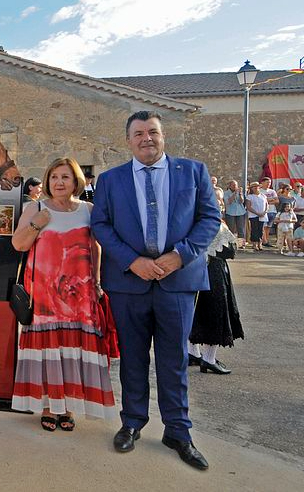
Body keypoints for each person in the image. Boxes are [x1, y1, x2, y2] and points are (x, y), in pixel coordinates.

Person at [91, 111, 219, 470]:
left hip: (177, 281)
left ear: (163, 136)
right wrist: (132, 261)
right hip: (129, 283)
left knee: (174, 358)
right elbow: (101, 224)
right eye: (138, 133)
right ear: (128, 139)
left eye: (153, 132)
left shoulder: (193, 172)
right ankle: (132, 422)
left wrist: (180, 256)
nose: (146, 138)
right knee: (132, 357)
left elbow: (209, 218)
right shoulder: (111, 180)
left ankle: (178, 430)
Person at [11, 157, 116, 433]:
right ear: (47, 180)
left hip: (79, 296)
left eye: (65, 177)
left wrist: (96, 280)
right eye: (54, 176)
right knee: (49, 351)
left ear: (76, 181)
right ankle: (48, 406)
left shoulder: (89, 210)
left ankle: (66, 407)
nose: (59, 182)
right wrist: (37, 223)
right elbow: (18, 244)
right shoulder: (35, 207)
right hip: (44, 296)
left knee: (72, 351)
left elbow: (96, 248)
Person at [187, 221, 243, 374]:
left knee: (194, 312)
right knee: (215, 313)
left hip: (191, 271)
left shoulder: (186, 220)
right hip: (213, 272)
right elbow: (230, 251)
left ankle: (193, 352)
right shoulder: (213, 222)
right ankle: (208, 359)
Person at [223, 180, 247, 249]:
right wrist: (234, 193)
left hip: (240, 212)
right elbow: (228, 201)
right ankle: (231, 243)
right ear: (229, 186)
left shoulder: (239, 192)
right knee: (231, 229)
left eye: (236, 185)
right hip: (230, 212)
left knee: (241, 229)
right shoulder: (226, 193)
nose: (235, 187)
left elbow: (242, 201)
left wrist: (240, 194)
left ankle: (241, 244)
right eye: (233, 185)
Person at [245, 182, 268, 251]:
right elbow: (248, 207)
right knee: (254, 229)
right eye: (254, 187)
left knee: (261, 230)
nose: (256, 188)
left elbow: (267, 205)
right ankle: (254, 244)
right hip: (253, 215)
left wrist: (264, 212)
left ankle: (260, 243)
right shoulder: (249, 196)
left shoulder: (263, 196)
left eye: (257, 186)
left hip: (262, 215)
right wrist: (257, 213)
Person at [259, 177, 278, 247]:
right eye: (267, 182)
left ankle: (266, 239)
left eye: (269, 183)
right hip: (264, 212)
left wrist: (267, 200)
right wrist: (270, 200)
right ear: (263, 183)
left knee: (268, 227)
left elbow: (277, 201)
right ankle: (264, 241)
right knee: (264, 227)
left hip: (272, 211)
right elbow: (262, 201)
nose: (269, 184)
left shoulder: (272, 191)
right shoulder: (260, 191)